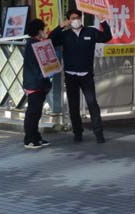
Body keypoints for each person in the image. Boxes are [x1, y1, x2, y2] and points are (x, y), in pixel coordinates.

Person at [49, 9, 112, 143]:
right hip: (70, 75)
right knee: (73, 106)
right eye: (73, 18)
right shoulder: (65, 35)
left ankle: (99, 134)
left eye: (78, 17)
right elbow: (50, 40)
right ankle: (78, 133)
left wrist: (102, 21)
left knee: (92, 103)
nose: (76, 20)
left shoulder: (90, 32)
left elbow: (107, 37)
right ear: (68, 20)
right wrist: (60, 26)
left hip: (86, 75)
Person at [23, 19, 52, 149]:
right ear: (39, 31)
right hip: (35, 83)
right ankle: (29, 139)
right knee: (33, 113)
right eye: (43, 29)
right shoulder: (35, 45)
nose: (44, 32)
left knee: (35, 112)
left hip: (35, 82)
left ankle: (35, 137)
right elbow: (40, 66)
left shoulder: (32, 43)